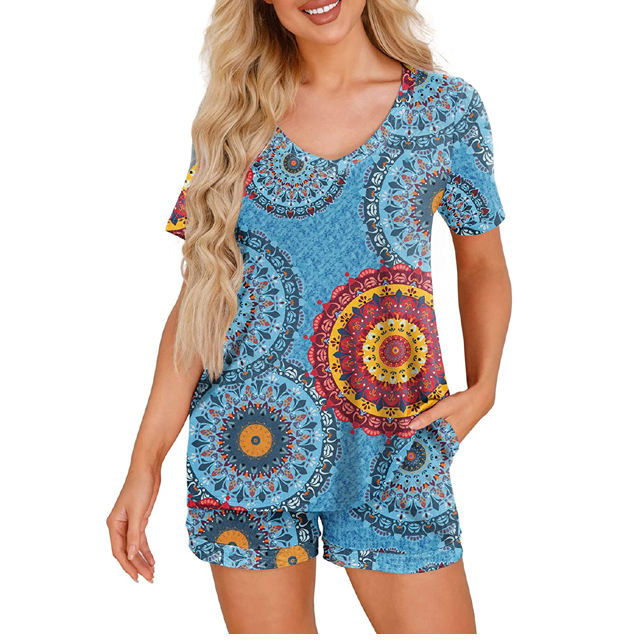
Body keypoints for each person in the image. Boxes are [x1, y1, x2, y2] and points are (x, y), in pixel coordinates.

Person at [107, 0, 512, 633]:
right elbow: (200, 300)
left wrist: (483, 388)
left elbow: (482, 264)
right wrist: (145, 462)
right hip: (249, 442)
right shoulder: (233, 118)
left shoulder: (444, 109)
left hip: (393, 442)